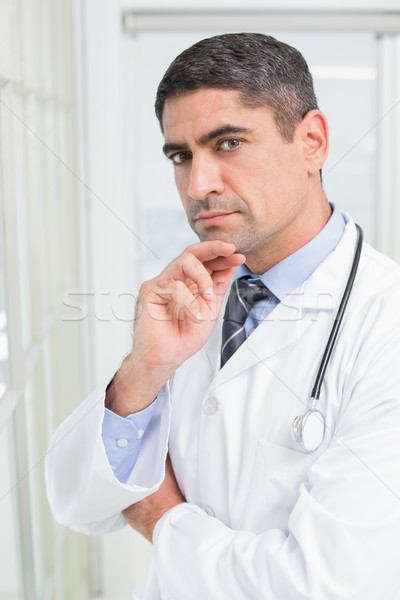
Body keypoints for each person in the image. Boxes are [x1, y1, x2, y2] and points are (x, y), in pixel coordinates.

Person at [46, 33, 400, 599]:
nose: (198, 185)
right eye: (181, 155)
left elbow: (324, 587)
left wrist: (163, 517)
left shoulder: (385, 327)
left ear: (312, 141)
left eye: (229, 143)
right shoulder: (191, 299)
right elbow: (74, 501)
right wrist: (142, 372)